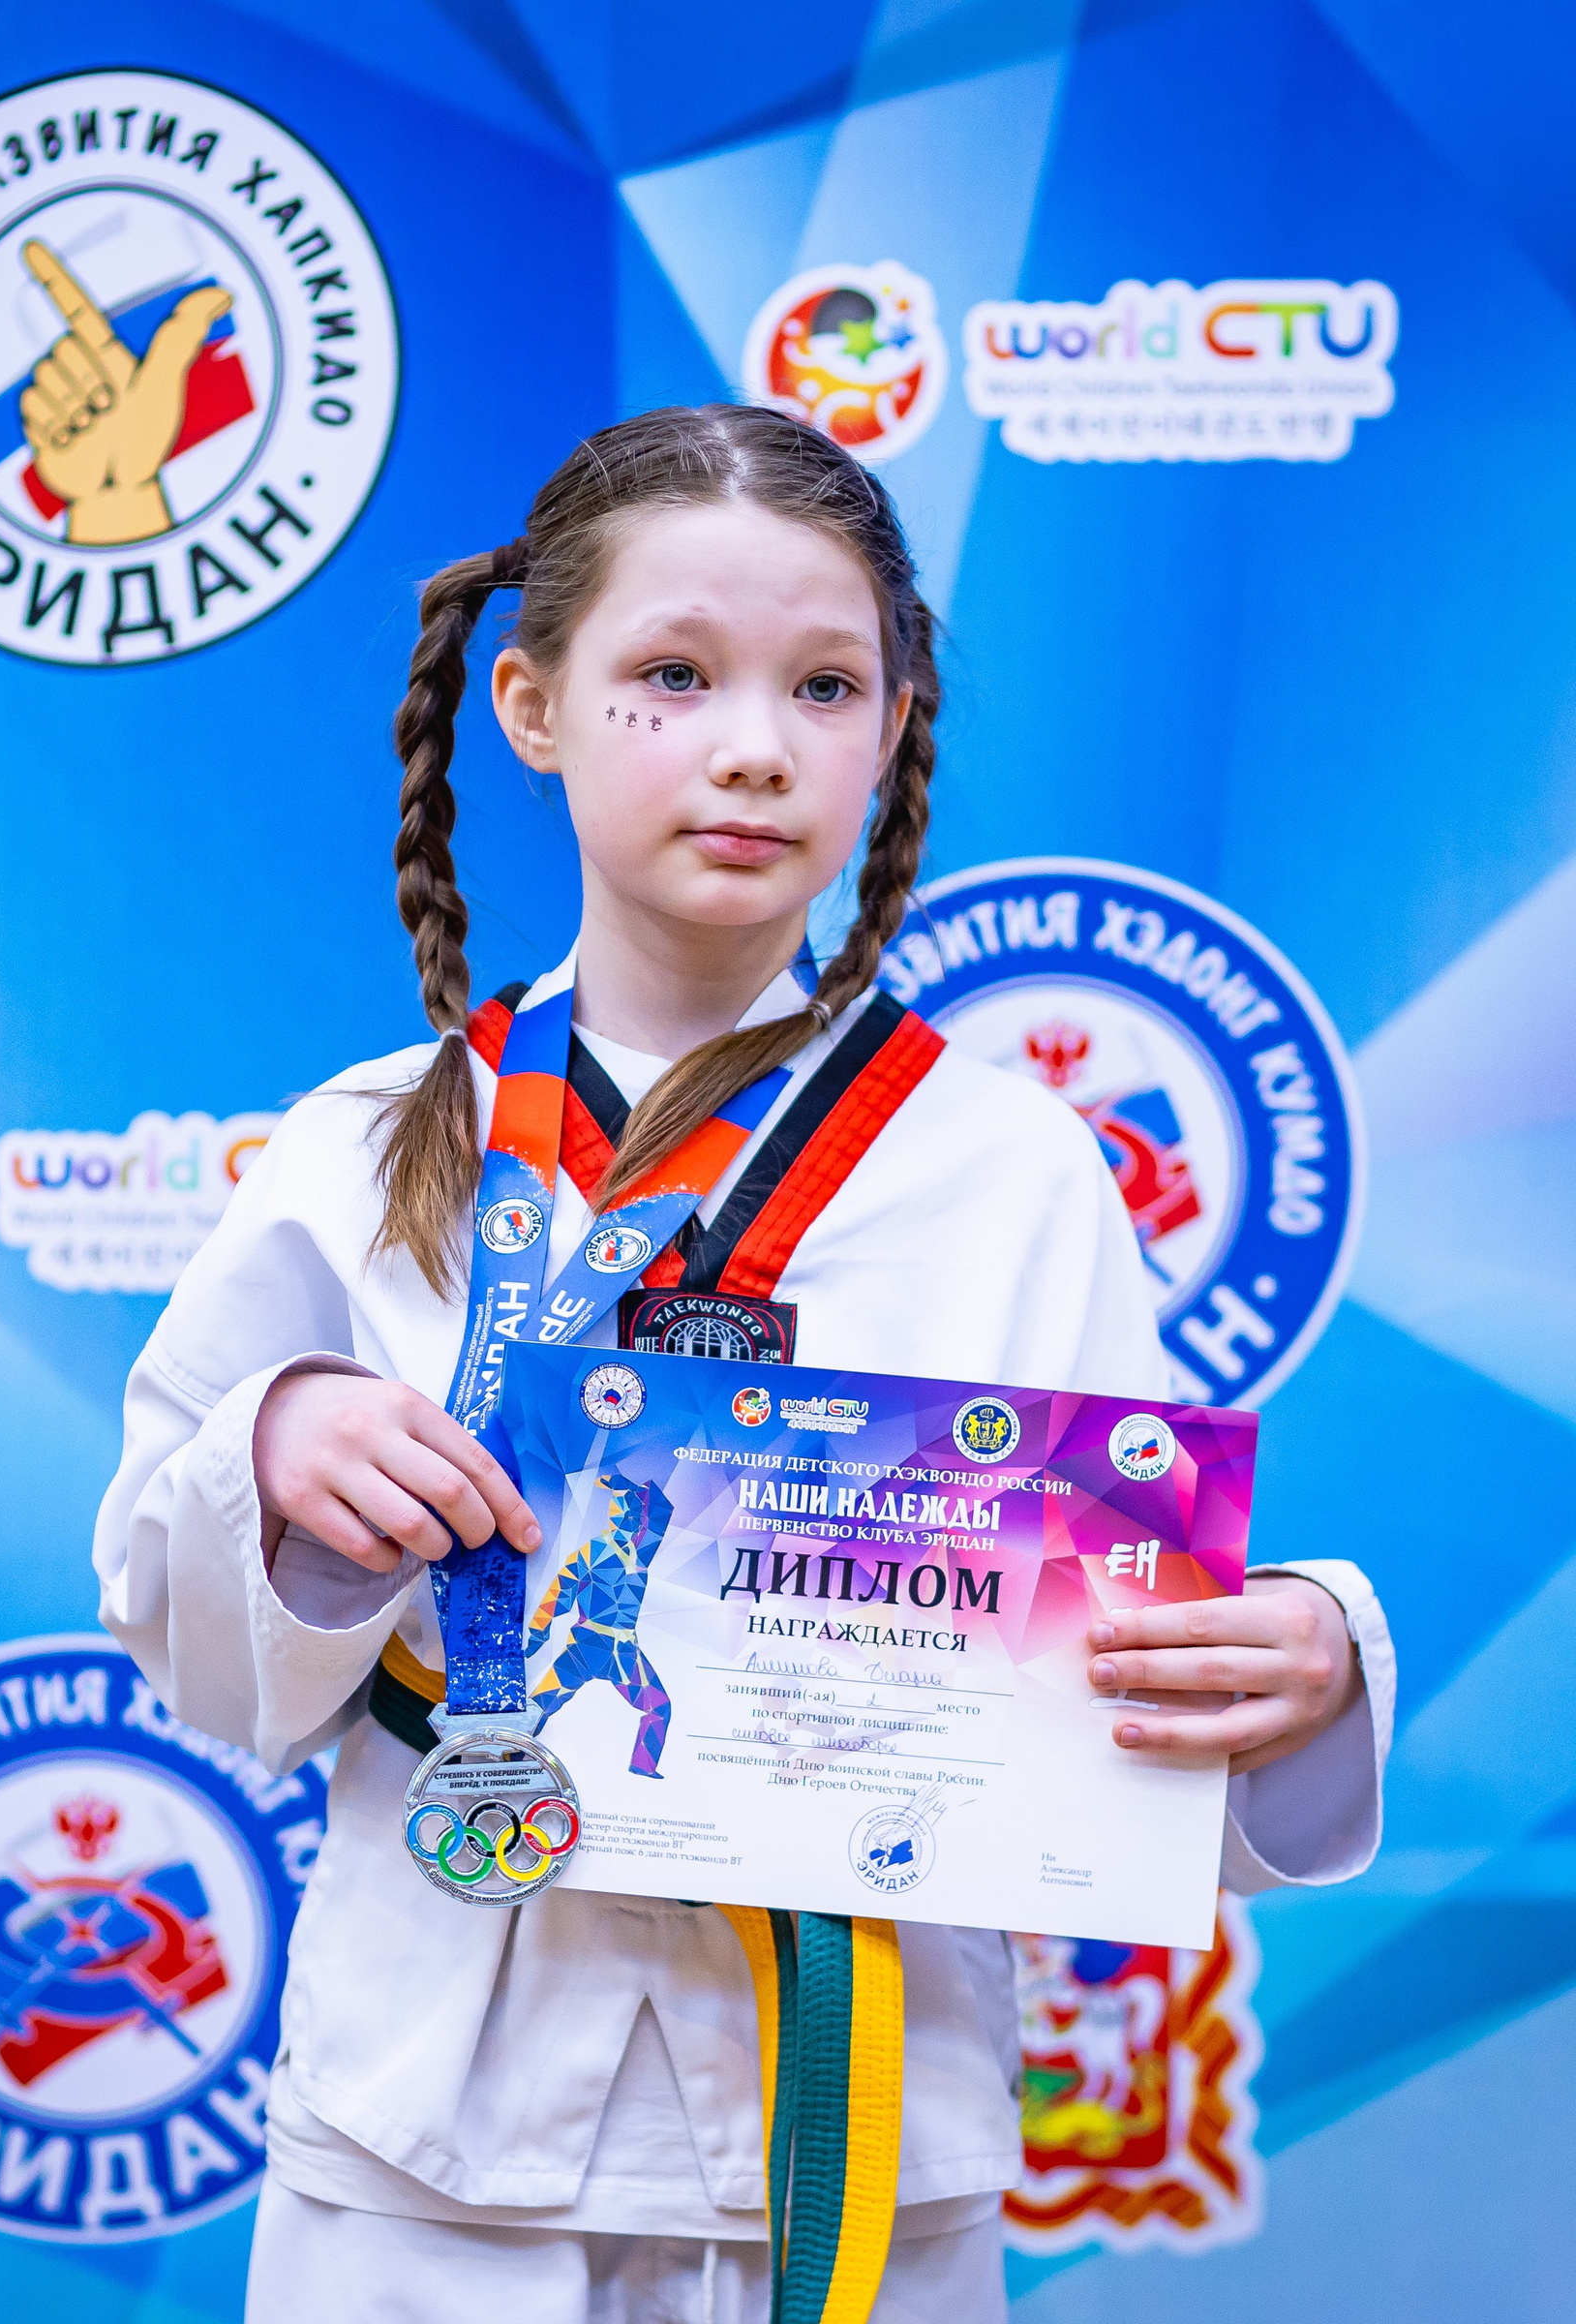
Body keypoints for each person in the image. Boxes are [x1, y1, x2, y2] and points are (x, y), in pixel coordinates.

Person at [95, 405, 1394, 2324]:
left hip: (858, 2135)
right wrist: (278, 1467)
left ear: (892, 728)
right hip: (428, 2137)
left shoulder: (1016, 1171)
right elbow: (177, 1629)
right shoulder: (365, 1147)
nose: (757, 746)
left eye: (825, 686)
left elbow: (1119, 1679)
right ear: (531, 707)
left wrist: (1296, 1668)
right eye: (676, 675)